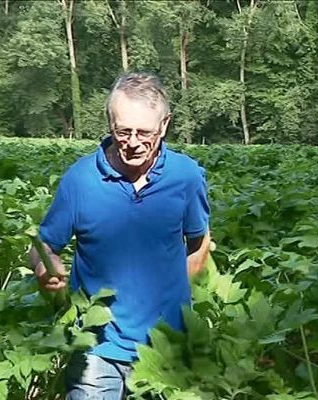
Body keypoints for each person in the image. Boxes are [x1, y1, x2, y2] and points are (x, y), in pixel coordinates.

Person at [28, 72, 211, 400]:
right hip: (97, 348)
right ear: (109, 123)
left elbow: (199, 243)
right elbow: (44, 244)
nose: (134, 142)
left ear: (165, 125)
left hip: (166, 347)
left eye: (145, 132)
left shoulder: (187, 177)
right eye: (123, 131)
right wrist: (45, 268)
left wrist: (174, 302)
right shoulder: (81, 180)